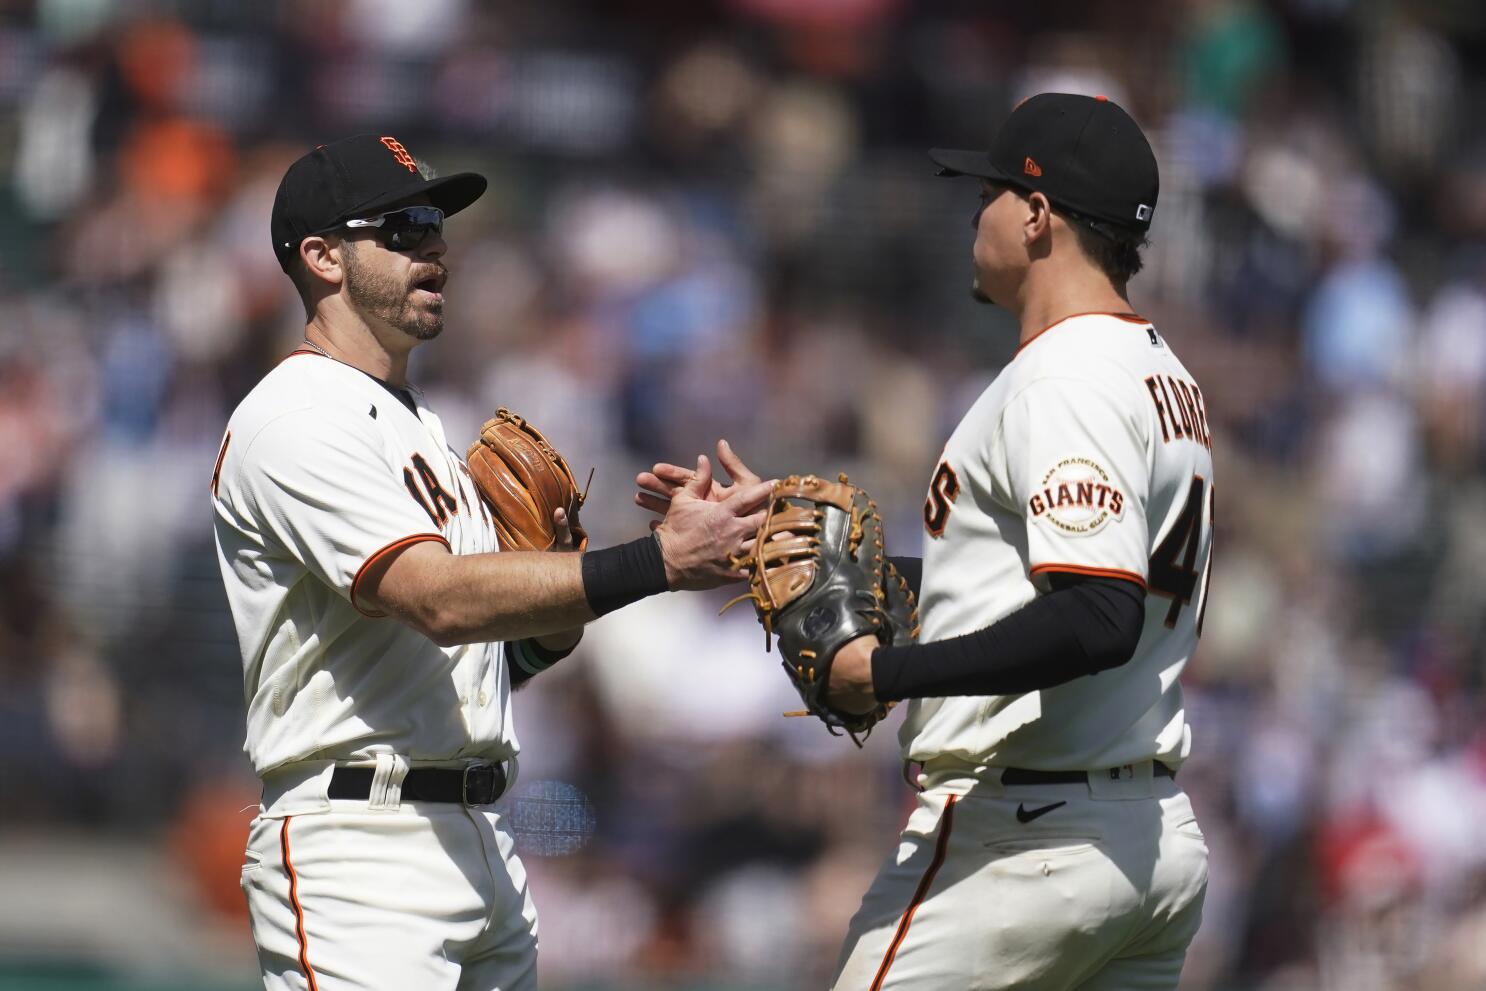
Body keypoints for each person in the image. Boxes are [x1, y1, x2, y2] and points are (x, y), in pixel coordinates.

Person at [638, 93, 1213, 990]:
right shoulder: (1156, 371)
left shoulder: (1062, 376)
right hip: (1145, 835)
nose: (971, 213)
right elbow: (1039, 584)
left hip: (1026, 838)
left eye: (986, 192)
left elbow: (1100, 613)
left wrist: (883, 672)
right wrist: (787, 542)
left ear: (1035, 215)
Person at [212, 133, 768, 991]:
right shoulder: (295, 416)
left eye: (433, 222)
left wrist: (561, 611)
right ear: (321, 256)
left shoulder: (423, 425)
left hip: (476, 833)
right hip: (358, 850)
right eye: (397, 229)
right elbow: (436, 599)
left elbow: (490, 656)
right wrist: (657, 560)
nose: (431, 243)